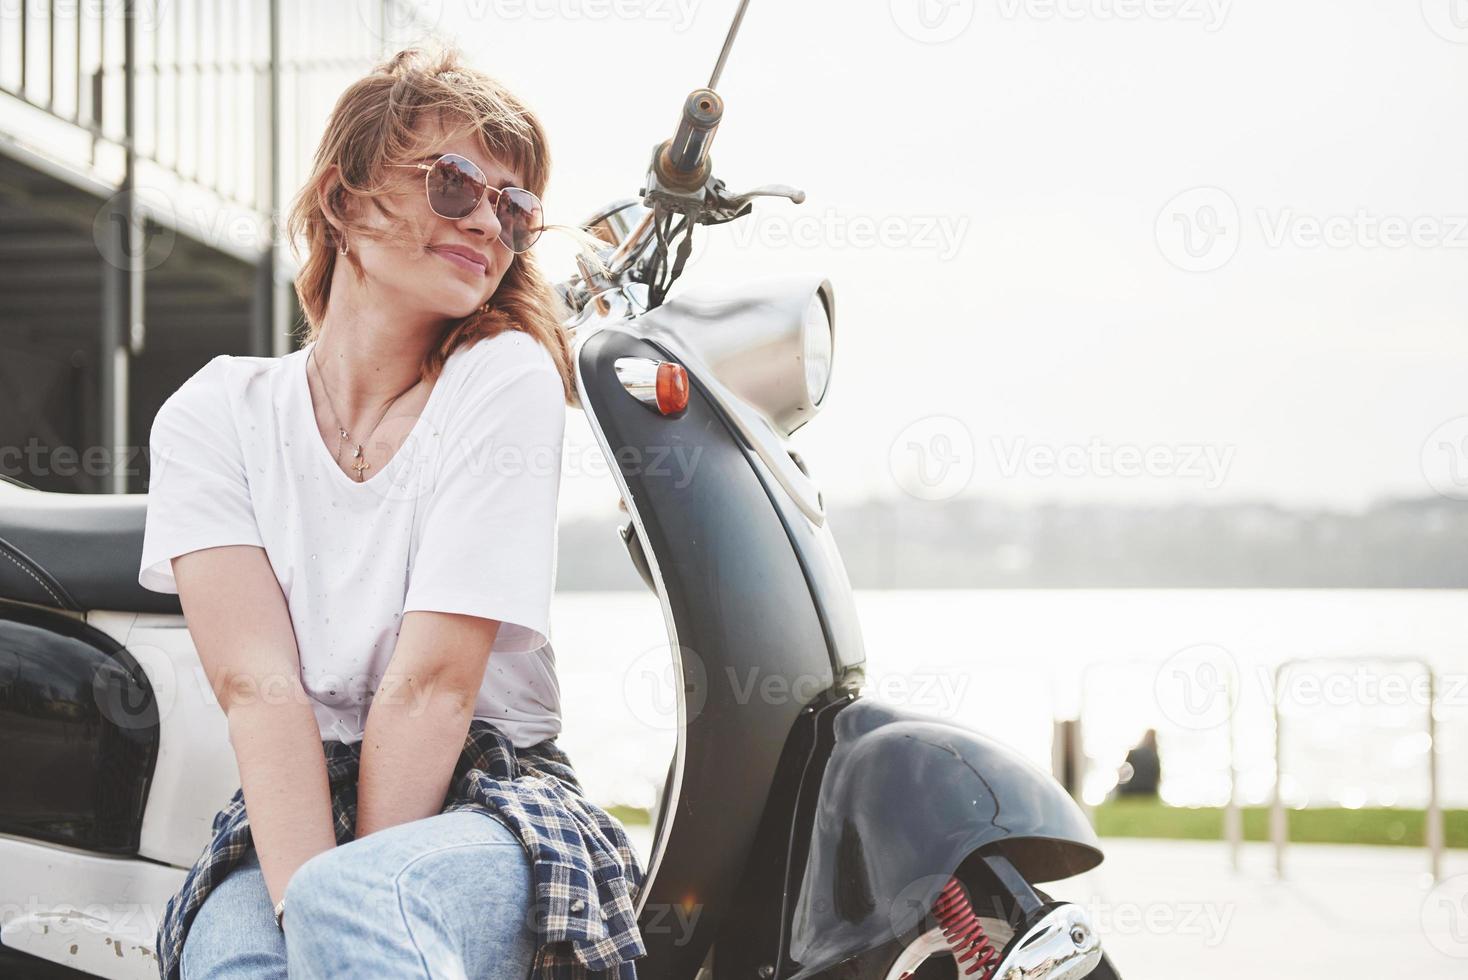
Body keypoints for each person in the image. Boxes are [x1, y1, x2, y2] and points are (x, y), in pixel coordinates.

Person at [136, 42, 637, 980]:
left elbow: (436, 686)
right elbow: (260, 691)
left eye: (515, 208)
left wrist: (337, 903)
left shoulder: (503, 377)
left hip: (489, 799)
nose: (490, 222)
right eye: (454, 185)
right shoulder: (212, 415)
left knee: (352, 903)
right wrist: (310, 907)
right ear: (342, 200)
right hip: (294, 804)